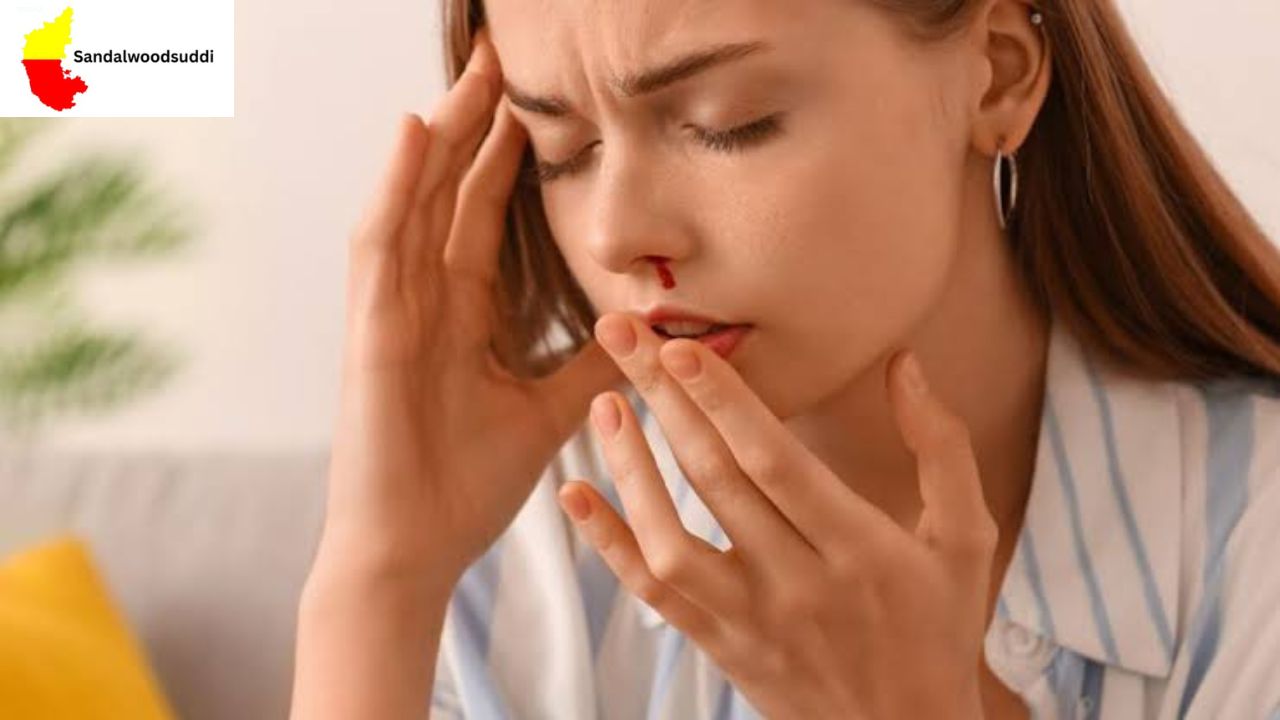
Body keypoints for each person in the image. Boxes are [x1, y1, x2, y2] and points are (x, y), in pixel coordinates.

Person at [289, 0, 1280, 717]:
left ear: (998, 73)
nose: (614, 234)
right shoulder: (529, 546)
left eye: (728, 125)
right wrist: (378, 580)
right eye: (564, 153)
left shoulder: (1250, 547)